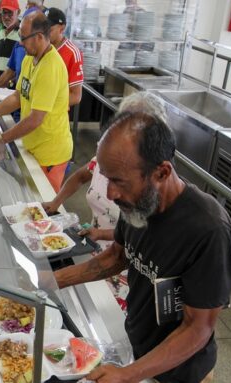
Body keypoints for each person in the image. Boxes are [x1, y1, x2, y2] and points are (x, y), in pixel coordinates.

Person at [53, 112, 231, 382]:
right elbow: (116, 257)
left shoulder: (209, 230)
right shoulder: (139, 205)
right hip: (139, 349)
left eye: (119, 181)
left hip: (181, 372)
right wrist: (49, 280)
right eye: (107, 179)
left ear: (161, 172)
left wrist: (128, 375)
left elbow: (197, 328)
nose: (110, 195)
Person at [43, 92, 168, 311]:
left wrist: (102, 234)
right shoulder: (111, 154)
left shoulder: (152, 186)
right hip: (94, 253)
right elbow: (82, 175)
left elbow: (139, 237)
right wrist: (55, 202)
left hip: (124, 270)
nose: (111, 193)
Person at [0, 12, 72, 192]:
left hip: (50, 154)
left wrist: (1, 139)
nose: (20, 43)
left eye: (23, 38)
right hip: (32, 146)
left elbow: (35, 119)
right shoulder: (29, 59)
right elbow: (18, 97)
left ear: (39, 37)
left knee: (42, 206)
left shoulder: (50, 68)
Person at [45, 8, 83, 106]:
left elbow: (76, 96)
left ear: (62, 28)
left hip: (55, 115)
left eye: (49, 29)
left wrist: (46, 105)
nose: (45, 32)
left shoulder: (72, 53)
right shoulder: (41, 47)